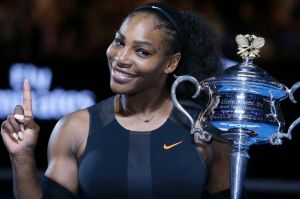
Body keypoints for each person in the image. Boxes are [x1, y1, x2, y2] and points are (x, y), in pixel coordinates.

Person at [1, 2, 238, 199]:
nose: (120, 58)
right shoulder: (74, 129)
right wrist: (21, 158)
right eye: (119, 42)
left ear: (171, 63)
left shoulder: (206, 131)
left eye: (142, 51)